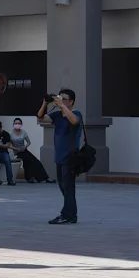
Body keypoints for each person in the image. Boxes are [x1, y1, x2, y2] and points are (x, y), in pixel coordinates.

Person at [38, 88, 83, 224]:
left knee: (68, 187)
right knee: (64, 187)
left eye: (64, 99)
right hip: (59, 157)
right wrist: (45, 103)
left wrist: (62, 105)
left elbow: (74, 121)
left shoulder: (76, 113)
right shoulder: (57, 115)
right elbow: (41, 118)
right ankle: (71, 215)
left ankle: (66, 215)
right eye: (60, 98)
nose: (61, 100)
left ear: (71, 101)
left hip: (70, 158)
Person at [9, 118, 49, 183]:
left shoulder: (23, 132)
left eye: (19, 123)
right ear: (13, 124)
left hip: (24, 150)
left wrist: (25, 147)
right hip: (17, 152)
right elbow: (9, 145)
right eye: (16, 123)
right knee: (28, 161)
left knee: (36, 162)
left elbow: (28, 142)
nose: (17, 124)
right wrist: (16, 149)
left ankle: (42, 178)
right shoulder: (10, 134)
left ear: (21, 124)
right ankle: (30, 177)